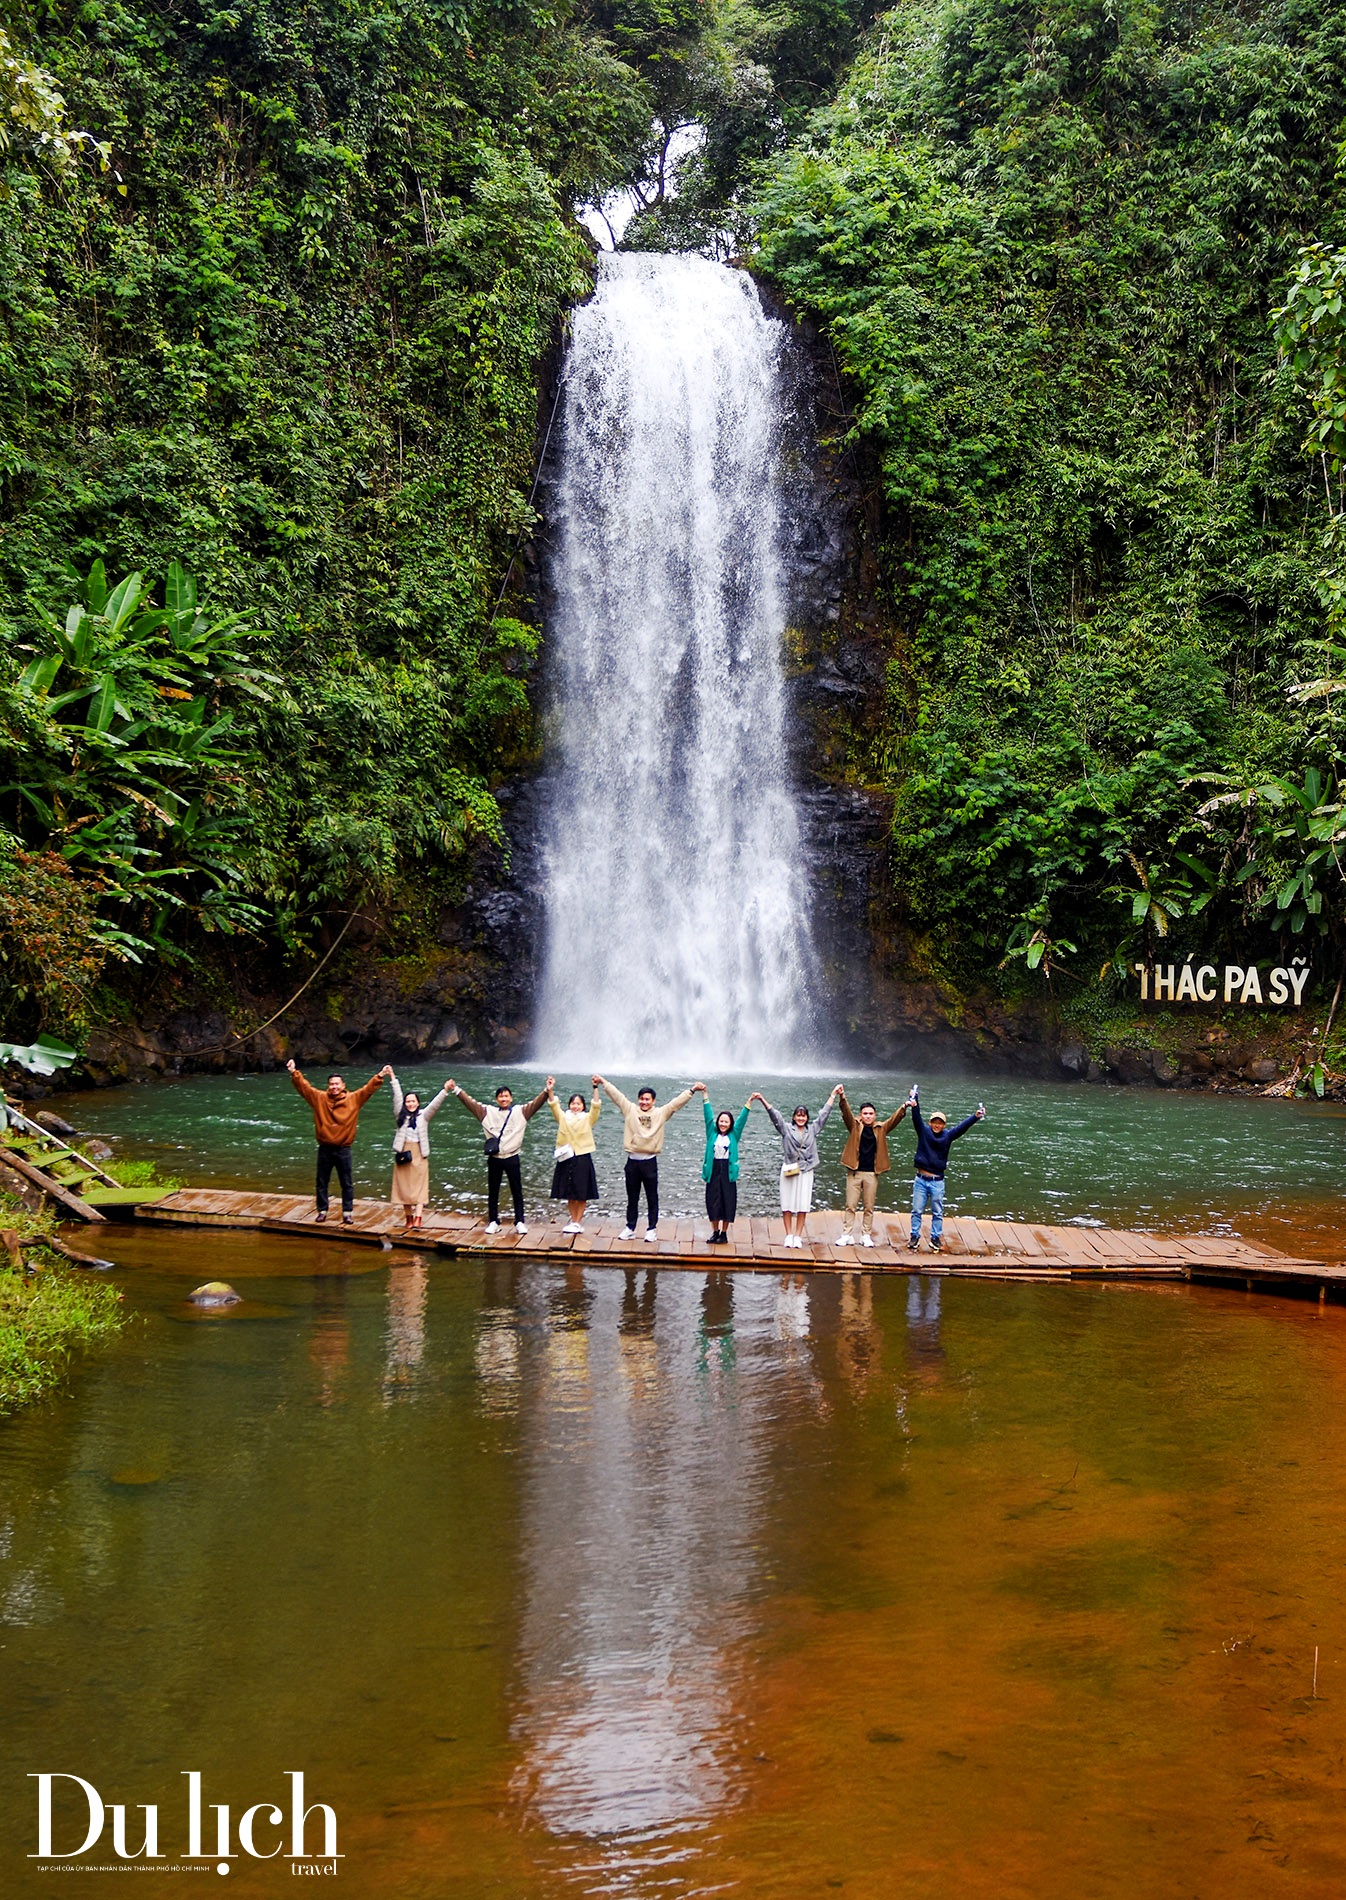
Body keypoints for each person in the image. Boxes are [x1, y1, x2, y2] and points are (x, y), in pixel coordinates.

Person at [594, 1075, 705, 1240]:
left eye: (647, 1099)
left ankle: (651, 1229)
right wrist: (603, 1083)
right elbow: (617, 1096)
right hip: (632, 1161)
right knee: (632, 1197)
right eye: (641, 1099)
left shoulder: (660, 1113)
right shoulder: (630, 1109)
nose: (644, 1102)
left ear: (653, 1101)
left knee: (652, 1197)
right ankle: (630, 1227)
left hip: (649, 1162)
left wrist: (692, 1090)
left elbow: (676, 1104)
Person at [287, 1058, 391, 1225]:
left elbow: (368, 1090)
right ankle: (322, 1211)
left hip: (344, 1148)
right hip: (325, 1147)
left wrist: (380, 1075)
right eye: (331, 1084)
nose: (334, 1087)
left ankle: (347, 1213)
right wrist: (294, 1072)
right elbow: (304, 1088)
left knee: (347, 1183)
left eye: (337, 1084)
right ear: (329, 1086)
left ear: (343, 1085)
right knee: (321, 1182)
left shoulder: (353, 1099)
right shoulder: (319, 1098)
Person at [446, 1076, 549, 1234]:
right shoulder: (488, 1112)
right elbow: (470, 1103)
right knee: (493, 1191)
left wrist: (547, 1090)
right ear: (496, 1099)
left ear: (511, 1098)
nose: (504, 1098)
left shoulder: (520, 1112)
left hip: (512, 1156)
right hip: (495, 1158)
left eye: (506, 1096)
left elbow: (536, 1103)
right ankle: (493, 1221)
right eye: (501, 1096)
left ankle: (520, 1221)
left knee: (517, 1191)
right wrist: (457, 1090)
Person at [751, 1086, 841, 1248]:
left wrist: (833, 1095)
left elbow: (823, 1115)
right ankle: (788, 1235)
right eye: (798, 1115)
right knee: (787, 1203)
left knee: (803, 1204)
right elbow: (775, 1116)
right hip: (790, 1169)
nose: (801, 1118)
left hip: (806, 1170)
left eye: (803, 1115)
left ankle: (798, 1236)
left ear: (807, 1118)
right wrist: (763, 1100)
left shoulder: (812, 1130)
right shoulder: (786, 1129)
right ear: (793, 1117)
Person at [907, 1087, 985, 1252]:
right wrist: (915, 1101)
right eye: (934, 1122)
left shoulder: (947, 1136)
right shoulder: (923, 1132)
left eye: (940, 1123)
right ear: (930, 1123)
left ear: (944, 1125)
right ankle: (914, 1236)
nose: (937, 1125)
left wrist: (975, 1117)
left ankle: (935, 1238)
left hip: (937, 1181)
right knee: (916, 1210)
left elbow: (961, 1128)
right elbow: (916, 1117)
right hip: (921, 1179)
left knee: (937, 1212)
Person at [837, 1089, 909, 1248]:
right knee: (850, 1205)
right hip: (854, 1171)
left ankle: (865, 1235)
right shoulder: (854, 1126)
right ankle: (847, 1234)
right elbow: (846, 1111)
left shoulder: (881, 1128)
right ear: (860, 1115)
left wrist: (904, 1106)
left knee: (868, 1207)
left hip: (871, 1173)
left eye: (870, 1113)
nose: (868, 1116)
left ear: (874, 1115)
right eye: (865, 1113)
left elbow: (894, 1119)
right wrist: (842, 1097)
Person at [388, 1073, 450, 1232]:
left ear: (418, 1103)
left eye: (413, 1101)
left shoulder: (424, 1116)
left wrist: (445, 1090)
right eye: (408, 1101)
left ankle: (418, 1218)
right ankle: (408, 1217)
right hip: (404, 1153)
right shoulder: (400, 1116)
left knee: (420, 1187)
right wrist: (393, 1078)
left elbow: (435, 1105)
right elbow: (397, 1097)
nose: (410, 1104)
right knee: (404, 1187)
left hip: (420, 1153)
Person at [547, 1077, 601, 1234]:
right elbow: (553, 1105)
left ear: (583, 1106)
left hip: (583, 1156)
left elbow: (596, 1107)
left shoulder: (588, 1118)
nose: (575, 1106)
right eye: (573, 1103)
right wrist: (550, 1089)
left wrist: (595, 1087)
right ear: (569, 1105)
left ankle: (578, 1221)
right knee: (570, 1191)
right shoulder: (563, 1117)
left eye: (578, 1103)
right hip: (566, 1157)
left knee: (582, 1191)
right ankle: (573, 1220)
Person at [702, 1098, 750, 1244]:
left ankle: (724, 1233)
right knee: (712, 1202)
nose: (723, 1124)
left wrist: (749, 1102)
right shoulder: (712, 1133)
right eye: (721, 1121)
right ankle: (715, 1232)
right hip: (713, 1170)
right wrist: (705, 1096)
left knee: (727, 1202)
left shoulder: (734, 1135)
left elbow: (742, 1119)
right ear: (717, 1122)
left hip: (728, 1172)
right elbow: (707, 1116)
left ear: (730, 1124)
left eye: (726, 1122)